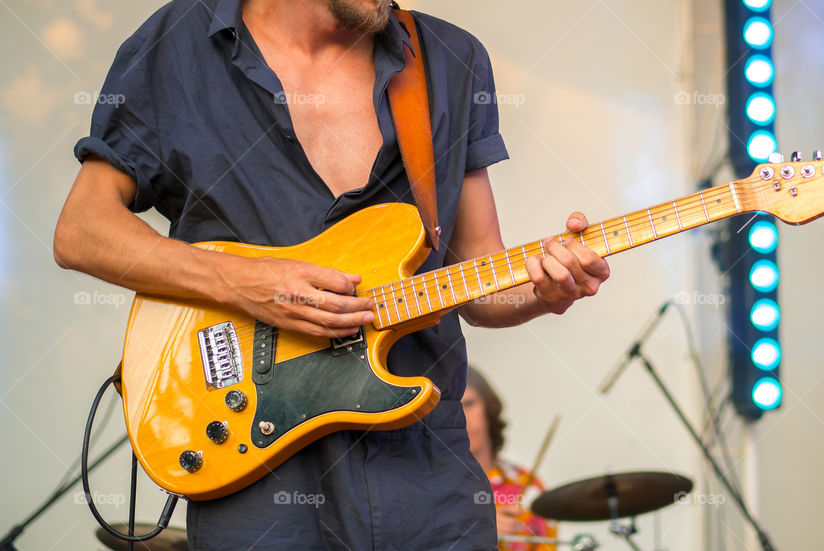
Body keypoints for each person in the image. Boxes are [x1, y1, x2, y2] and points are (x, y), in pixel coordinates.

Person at [54, 0, 610, 549]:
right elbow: (82, 230)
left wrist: (544, 291)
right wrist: (243, 281)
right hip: (254, 466)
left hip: (425, 476)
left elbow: (476, 275)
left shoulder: (450, 59)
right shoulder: (177, 43)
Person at [463, 367, 558, 551]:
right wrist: (477, 531)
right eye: (451, 409)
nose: (461, 417)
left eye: (468, 404)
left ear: (488, 408)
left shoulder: (526, 484)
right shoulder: (428, 486)